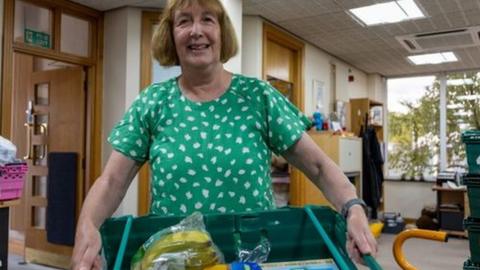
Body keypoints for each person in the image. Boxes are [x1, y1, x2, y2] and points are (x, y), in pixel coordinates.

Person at [72, 0, 377, 269]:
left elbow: (319, 166)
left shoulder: (258, 97)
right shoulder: (152, 102)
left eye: (207, 19)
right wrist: (87, 226)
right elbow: (111, 181)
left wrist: (353, 207)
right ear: (171, 35)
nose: (196, 30)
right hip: (174, 260)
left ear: (222, 32)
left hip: (252, 258)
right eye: (184, 21)